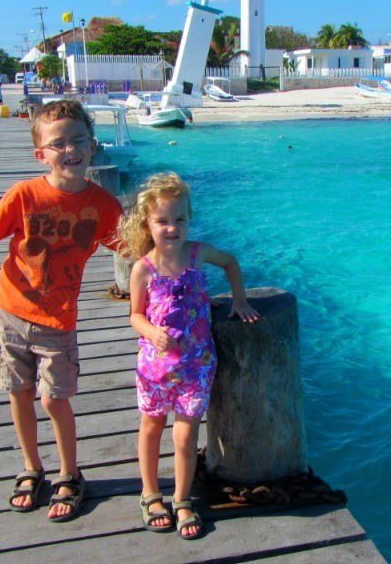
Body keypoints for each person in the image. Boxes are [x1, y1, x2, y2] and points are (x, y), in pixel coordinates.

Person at [0, 99, 123, 522]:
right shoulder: (23, 195)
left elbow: (134, 249)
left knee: (54, 400)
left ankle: (70, 473)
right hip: (11, 313)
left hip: (58, 323)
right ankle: (32, 467)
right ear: (41, 154)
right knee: (18, 394)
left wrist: (177, 262)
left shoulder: (104, 205)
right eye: (58, 143)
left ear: (92, 146)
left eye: (78, 140)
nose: (70, 148)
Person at [117, 172, 259, 538]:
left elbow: (230, 263)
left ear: (189, 220)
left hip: (196, 366)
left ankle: (181, 498)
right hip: (156, 368)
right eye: (162, 221)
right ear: (147, 224)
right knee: (151, 426)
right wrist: (151, 331)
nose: (172, 228)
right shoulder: (142, 269)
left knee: (185, 436)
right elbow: (135, 314)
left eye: (179, 219)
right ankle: (150, 492)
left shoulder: (198, 254)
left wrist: (238, 298)